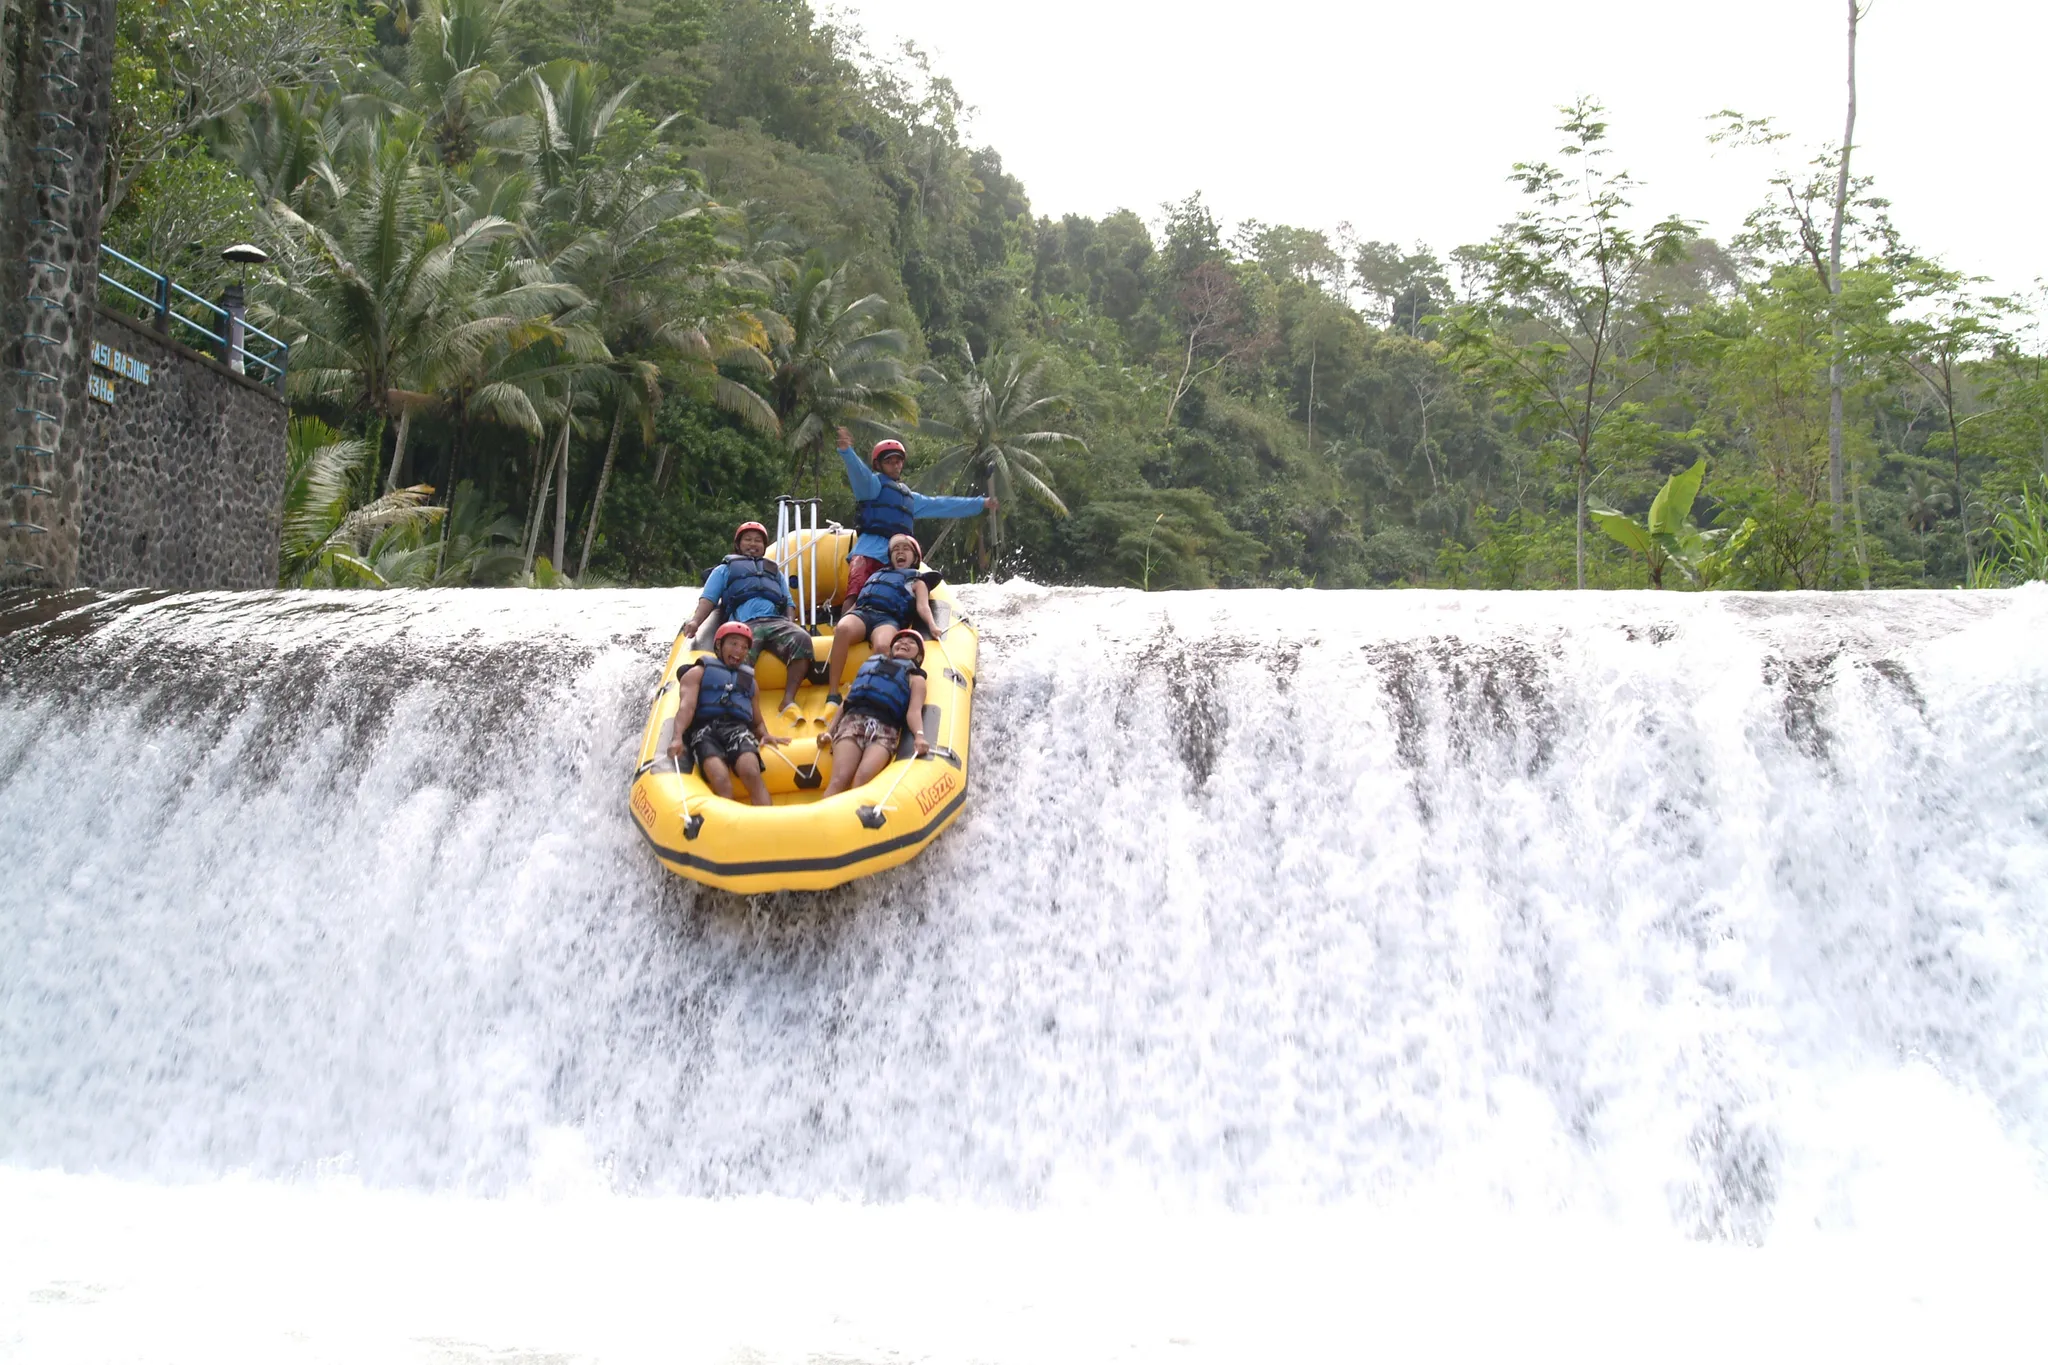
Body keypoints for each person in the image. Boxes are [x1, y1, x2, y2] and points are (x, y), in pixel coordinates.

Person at [835, 425, 994, 601]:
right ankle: (847, 618)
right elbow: (859, 473)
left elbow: (943, 504)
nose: (895, 465)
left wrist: (982, 503)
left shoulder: (910, 498)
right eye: (889, 461)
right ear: (878, 465)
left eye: (898, 461)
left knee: (897, 602)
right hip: (868, 554)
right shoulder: (872, 487)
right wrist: (847, 451)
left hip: (895, 559)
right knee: (854, 596)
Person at [682, 521, 813, 723]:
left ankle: (788, 699)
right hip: (744, 625)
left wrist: (790, 622)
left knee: (802, 638)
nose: (753, 544)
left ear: (764, 546)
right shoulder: (724, 570)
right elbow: (708, 599)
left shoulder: (774, 572)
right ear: (738, 545)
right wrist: (695, 622)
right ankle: (737, 706)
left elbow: (788, 602)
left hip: (774, 621)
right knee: (738, 653)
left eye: (758, 541)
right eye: (748, 540)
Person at [819, 532, 941, 724]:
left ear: (915, 557)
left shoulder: (917, 581)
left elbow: (923, 607)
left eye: (905, 549)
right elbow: (860, 600)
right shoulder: (877, 574)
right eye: (896, 550)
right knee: (842, 629)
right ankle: (833, 693)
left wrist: (932, 626)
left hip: (887, 619)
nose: (900, 552)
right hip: (863, 613)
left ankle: (877, 697)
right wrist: (846, 616)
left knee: (884, 646)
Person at [667, 621, 788, 806]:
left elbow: (757, 720)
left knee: (751, 771)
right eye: (733, 643)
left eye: (744, 647)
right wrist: (677, 738)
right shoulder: (698, 672)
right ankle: (731, 821)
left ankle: (767, 819)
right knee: (720, 778)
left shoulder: (750, 683)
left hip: (737, 729)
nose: (739, 650)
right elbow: (686, 707)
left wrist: (765, 734)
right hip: (704, 730)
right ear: (719, 645)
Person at [821, 628, 930, 797]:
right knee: (839, 779)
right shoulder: (872, 666)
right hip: (853, 722)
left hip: (885, 729)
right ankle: (825, 813)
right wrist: (829, 731)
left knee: (863, 779)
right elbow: (846, 703)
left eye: (911, 642)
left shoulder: (916, 679)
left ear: (919, 657)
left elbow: (913, 712)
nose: (904, 643)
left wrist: (919, 736)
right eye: (899, 641)